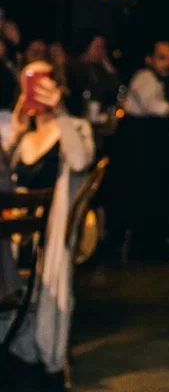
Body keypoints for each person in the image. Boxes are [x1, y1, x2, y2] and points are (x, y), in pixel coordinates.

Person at [2, 63, 95, 373]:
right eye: (30, 83)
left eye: (44, 81)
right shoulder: (24, 136)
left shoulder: (75, 126)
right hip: (15, 232)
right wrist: (17, 128)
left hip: (53, 233)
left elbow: (80, 161)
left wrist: (60, 112)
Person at [65, 32, 121, 116]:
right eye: (97, 47)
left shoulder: (100, 68)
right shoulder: (74, 66)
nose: (101, 52)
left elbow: (116, 91)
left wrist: (110, 69)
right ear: (87, 47)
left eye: (103, 48)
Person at [124, 40, 169, 117]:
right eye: (162, 58)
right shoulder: (145, 76)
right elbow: (150, 104)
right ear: (149, 59)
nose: (168, 64)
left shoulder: (158, 79)